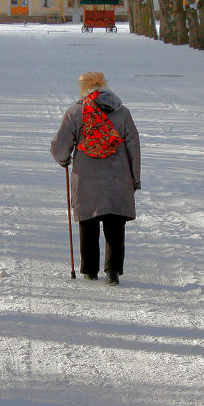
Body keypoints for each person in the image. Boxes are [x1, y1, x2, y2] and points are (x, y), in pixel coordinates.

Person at [51, 71, 141, 285]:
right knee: (115, 223)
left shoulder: (75, 112)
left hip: (86, 177)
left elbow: (60, 146)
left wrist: (64, 160)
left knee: (88, 221)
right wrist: (134, 179)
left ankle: (89, 270)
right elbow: (133, 147)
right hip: (117, 177)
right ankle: (113, 271)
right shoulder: (122, 113)